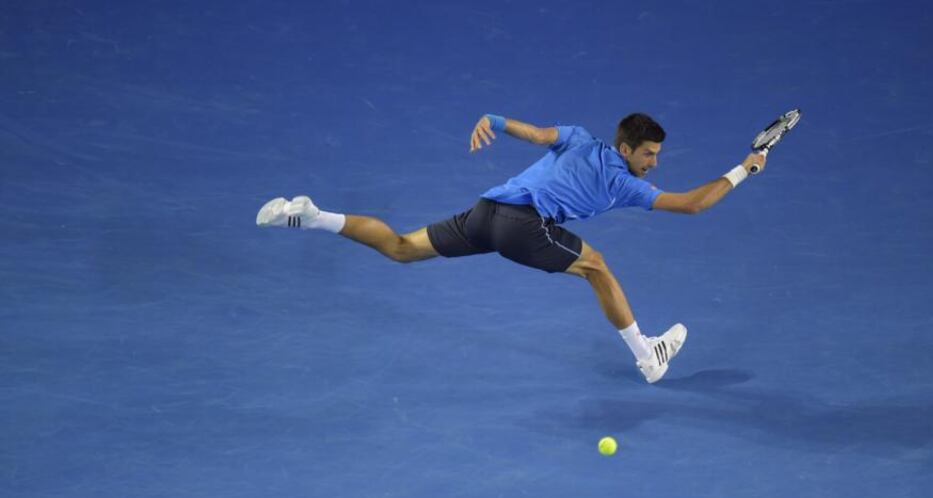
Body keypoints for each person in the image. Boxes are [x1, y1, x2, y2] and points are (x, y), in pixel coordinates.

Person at [257, 113, 766, 383]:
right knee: (597, 267)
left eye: (658, 155)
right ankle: (648, 358)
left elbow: (538, 132)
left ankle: (311, 215)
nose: (654, 164)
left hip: (485, 212)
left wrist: (495, 121)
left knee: (401, 248)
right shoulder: (625, 186)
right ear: (626, 149)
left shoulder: (578, 137)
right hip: (523, 225)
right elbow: (694, 205)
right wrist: (745, 169)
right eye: (649, 155)